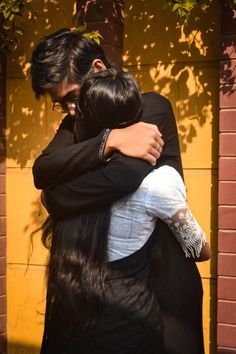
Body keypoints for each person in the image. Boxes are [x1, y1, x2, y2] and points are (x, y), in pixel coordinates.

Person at [31, 29, 207, 354]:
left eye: (72, 96)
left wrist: (57, 196)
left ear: (97, 69)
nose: (70, 110)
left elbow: (123, 176)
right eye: (61, 104)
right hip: (87, 292)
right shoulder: (76, 124)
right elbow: (43, 171)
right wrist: (108, 142)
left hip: (156, 292)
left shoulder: (149, 108)